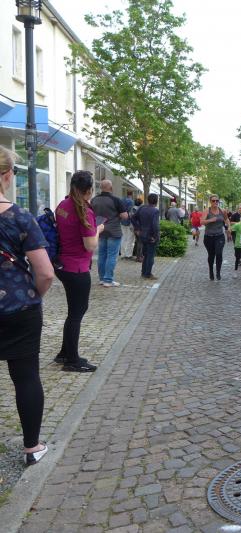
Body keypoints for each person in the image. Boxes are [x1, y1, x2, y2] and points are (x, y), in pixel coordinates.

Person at [0, 147, 54, 465]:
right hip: (19, 308)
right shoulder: (20, 217)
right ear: (7, 175)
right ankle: (32, 448)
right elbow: (45, 272)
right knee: (26, 377)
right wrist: (34, 294)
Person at [54, 171, 104, 372]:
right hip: (77, 268)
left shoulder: (63, 205)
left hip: (63, 264)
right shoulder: (84, 211)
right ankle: (72, 361)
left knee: (72, 311)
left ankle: (64, 353)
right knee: (77, 313)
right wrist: (98, 230)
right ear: (89, 190)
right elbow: (90, 245)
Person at [90, 179, 129, 288]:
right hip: (114, 231)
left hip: (100, 230)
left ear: (100, 187)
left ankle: (102, 278)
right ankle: (108, 280)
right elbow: (124, 216)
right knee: (111, 256)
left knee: (102, 255)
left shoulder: (94, 200)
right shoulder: (116, 200)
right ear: (111, 188)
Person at [202, 194, 231, 281]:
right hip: (209, 237)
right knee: (211, 255)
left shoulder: (222, 211)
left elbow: (226, 219)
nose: (215, 202)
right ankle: (211, 271)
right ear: (210, 202)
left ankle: (218, 272)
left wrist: (229, 227)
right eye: (213, 201)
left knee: (219, 253)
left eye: (217, 201)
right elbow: (201, 222)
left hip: (219, 236)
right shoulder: (207, 211)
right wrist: (210, 220)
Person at [132, 193, 160, 280]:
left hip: (142, 235)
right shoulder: (155, 211)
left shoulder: (142, 208)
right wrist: (156, 236)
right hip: (150, 236)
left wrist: (137, 228)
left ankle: (144, 272)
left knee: (145, 255)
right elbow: (155, 225)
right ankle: (147, 274)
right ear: (156, 201)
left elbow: (133, 218)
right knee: (150, 255)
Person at [120, 191, 135, 259]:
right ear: (132, 194)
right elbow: (131, 213)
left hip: (122, 221)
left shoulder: (122, 200)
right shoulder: (131, 202)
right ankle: (128, 254)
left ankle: (122, 254)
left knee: (123, 238)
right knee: (130, 239)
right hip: (129, 222)